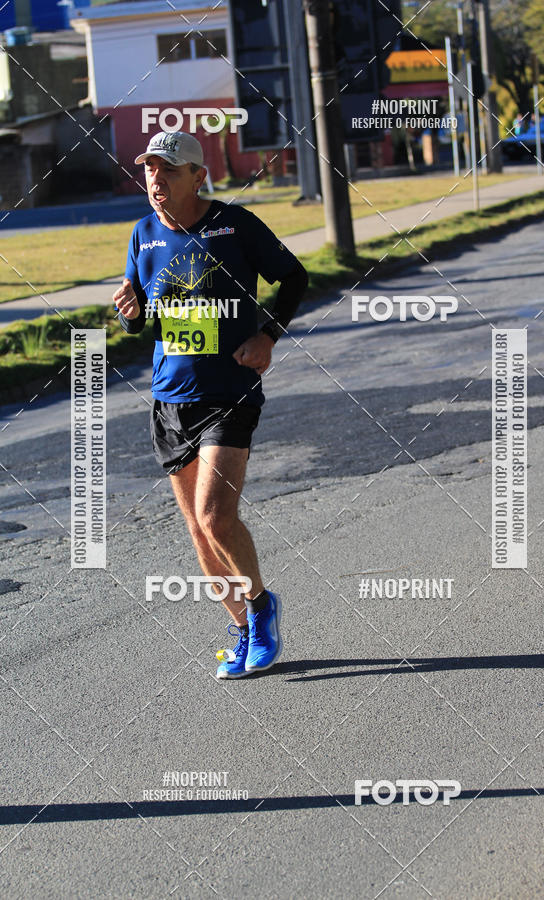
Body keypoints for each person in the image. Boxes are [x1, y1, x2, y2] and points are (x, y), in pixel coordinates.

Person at [114, 131, 308, 678]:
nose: (156, 179)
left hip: (229, 393)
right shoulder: (143, 235)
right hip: (169, 398)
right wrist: (130, 314)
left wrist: (268, 335)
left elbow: (294, 276)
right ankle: (243, 629)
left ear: (198, 177)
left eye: (168, 170)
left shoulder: (235, 225)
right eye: (150, 169)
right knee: (198, 532)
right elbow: (144, 323)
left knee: (215, 517)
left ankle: (263, 606)